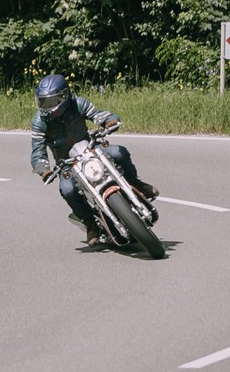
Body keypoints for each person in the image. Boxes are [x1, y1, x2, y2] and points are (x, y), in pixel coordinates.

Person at [30, 74, 158, 246]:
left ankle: (135, 183)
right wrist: (43, 169)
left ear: (64, 96)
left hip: (91, 147)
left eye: (51, 102)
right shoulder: (39, 121)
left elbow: (98, 114)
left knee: (119, 152)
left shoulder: (78, 103)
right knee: (67, 189)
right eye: (43, 102)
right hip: (67, 162)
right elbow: (37, 151)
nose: (46, 107)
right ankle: (90, 223)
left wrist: (109, 121)